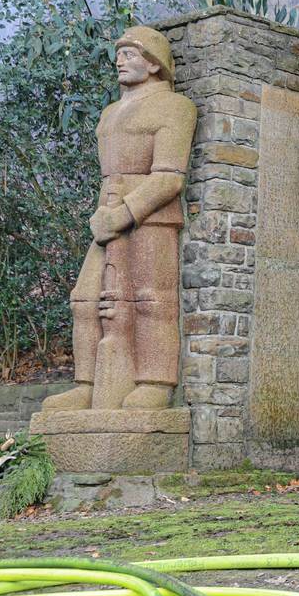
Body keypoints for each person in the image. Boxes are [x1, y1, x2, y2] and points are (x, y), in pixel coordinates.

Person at [42, 26, 197, 413]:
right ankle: (87, 385)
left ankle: (154, 383)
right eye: (119, 53)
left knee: (150, 300)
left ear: (154, 63)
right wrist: (107, 216)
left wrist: (126, 213)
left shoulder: (175, 107)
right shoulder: (111, 113)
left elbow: (169, 178)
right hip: (107, 213)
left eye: (130, 54)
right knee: (86, 300)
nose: (120, 60)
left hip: (151, 217)